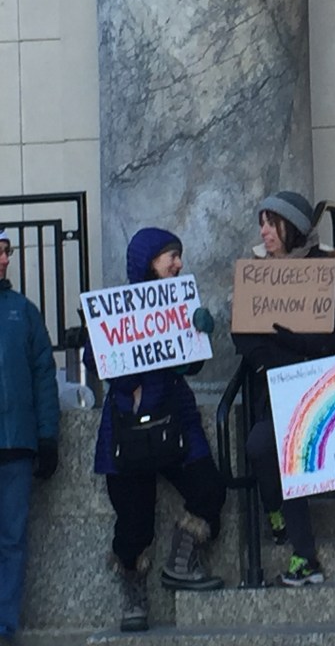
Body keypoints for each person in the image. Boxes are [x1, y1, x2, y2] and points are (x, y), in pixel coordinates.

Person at [89, 227, 225, 632]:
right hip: (127, 431)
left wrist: (199, 331)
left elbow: (191, 363)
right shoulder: (117, 309)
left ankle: (180, 564)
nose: (178, 263)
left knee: (210, 491)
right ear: (150, 262)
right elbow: (97, 360)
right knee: (134, 526)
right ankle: (133, 586)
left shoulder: (180, 304)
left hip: (175, 420)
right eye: (171, 256)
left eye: (178, 256)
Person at [233, 191, 335, 587]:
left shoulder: (326, 270)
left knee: (280, 450)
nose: (264, 231)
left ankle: (304, 556)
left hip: (313, 382)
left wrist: (304, 343)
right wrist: (265, 359)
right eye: (262, 223)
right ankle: (276, 512)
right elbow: (242, 330)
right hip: (273, 382)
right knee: (261, 447)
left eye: (272, 223)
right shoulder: (257, 271)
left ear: (293, 227)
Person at [0, 229, 59, 646]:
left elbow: (44, 375)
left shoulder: (24, 310)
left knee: (12, 540)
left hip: (17, 445)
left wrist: (48, 436)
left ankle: (4, 626)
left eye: (5, 251)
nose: (3, 260)